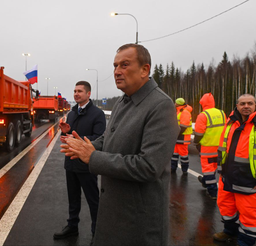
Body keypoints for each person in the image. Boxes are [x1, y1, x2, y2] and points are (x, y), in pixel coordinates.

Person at [61, 44, 179, 245]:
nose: (117, 71)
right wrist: (85, 145)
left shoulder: (160, 105)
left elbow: (149, 166)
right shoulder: (122, 102)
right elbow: (108, 139)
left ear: (145, 70)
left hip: (137, 223)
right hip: (114, 215)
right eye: (115, 66)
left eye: (124, 65)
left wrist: (93, 157)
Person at [214, 94, 256, 246]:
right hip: (228, 177)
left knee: (249, 215)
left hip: (250, 181)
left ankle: (245, 242)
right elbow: (222, 147)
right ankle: (230, 231)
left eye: (250, 103)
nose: (246, 106)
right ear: (237, 105)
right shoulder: (231, 121)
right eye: (242, 103)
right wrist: (220, 171)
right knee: (226, 207)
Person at [53, 81, 106, 240]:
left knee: (93, 200)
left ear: (88, 94)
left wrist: (77, 139)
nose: (76, 94)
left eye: (80, 91)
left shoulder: (97, 114)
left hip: (87, 163)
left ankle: (97, 232)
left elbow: (99, 138)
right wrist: (66, 133)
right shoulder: (72, 112)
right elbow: (69, 136)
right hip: (70, 161)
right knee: (73, 197)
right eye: (75, 91)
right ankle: (72, 226)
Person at [194, 93, 226, 199]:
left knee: (208, 170)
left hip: (207, 147)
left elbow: (198, 133)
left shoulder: (203, 115)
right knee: (214, 168)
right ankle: (205, 182)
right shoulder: (222, 113)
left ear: (203, 103)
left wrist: (196, 143)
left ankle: (212, 191)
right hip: (221, 147)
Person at [171, 98, 193, 174]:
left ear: (178, 104)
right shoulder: (178, 111)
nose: (174, 104)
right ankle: (173, 168)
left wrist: (175, 133)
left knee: (183, 155)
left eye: (175, 103)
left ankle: (184, 170)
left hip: (183, 137)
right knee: (174, 153)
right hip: (177, 136)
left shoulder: (185, 112)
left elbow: (183, 126)